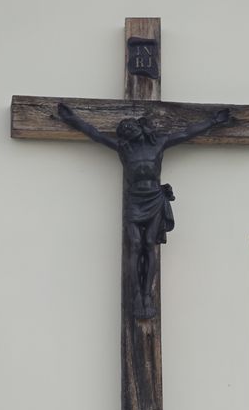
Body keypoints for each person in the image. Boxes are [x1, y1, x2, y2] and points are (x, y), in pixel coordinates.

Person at [58, 102, 230, 319]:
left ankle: (147, 294)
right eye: (124, 130)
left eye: (130, 127)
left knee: (149, 243)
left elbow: (186, 133)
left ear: (139, 127)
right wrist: (71, 119)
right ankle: (137, 295)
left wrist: (213, 121)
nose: (127, 130)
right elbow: (95, 134)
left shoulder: (159, 143)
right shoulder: (124, 148)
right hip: (134, 200)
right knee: (135, 245)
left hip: (154, 198)